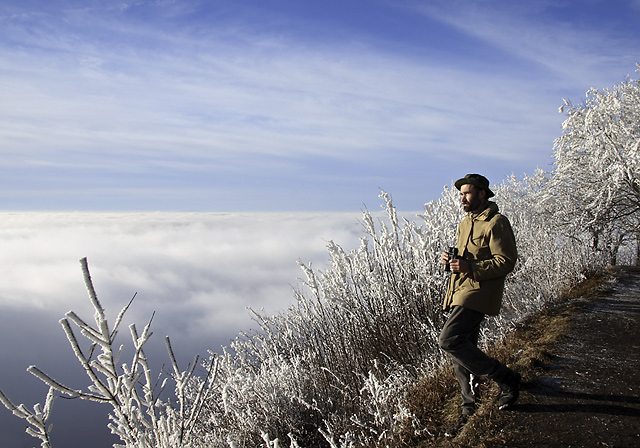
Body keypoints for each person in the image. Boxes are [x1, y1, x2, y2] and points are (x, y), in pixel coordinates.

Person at [439, 173, 520, 438]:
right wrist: (452, 260)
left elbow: (506, 261)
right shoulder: (466, 223)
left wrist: (470, 267)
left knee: (449, 341)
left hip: (478, 293)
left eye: (467, 193)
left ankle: (506, 378)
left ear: (483, 193)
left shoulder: (496, 223)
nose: (462, 198)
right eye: (461, 194)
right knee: (462, 352)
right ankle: (468, 409)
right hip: (460, 290)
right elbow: (466, 259)